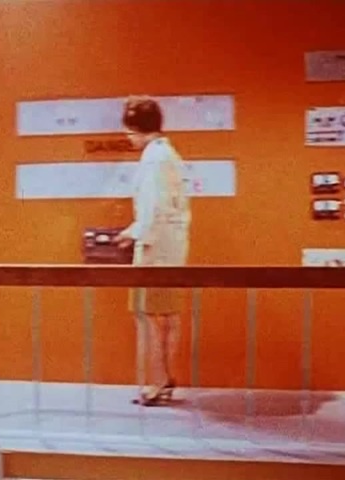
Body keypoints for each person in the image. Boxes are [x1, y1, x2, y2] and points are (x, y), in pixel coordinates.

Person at [114, 96, 191, 406]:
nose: (128, 137)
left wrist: (132, 233)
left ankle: (157, 381)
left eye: (129, 131)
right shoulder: (169, 155)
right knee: (169, 314)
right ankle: (165, 379)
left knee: (144, 313)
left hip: (154, 247)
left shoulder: (153, 159)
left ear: (138, 128)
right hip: (172, 245)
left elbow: (152, 208)